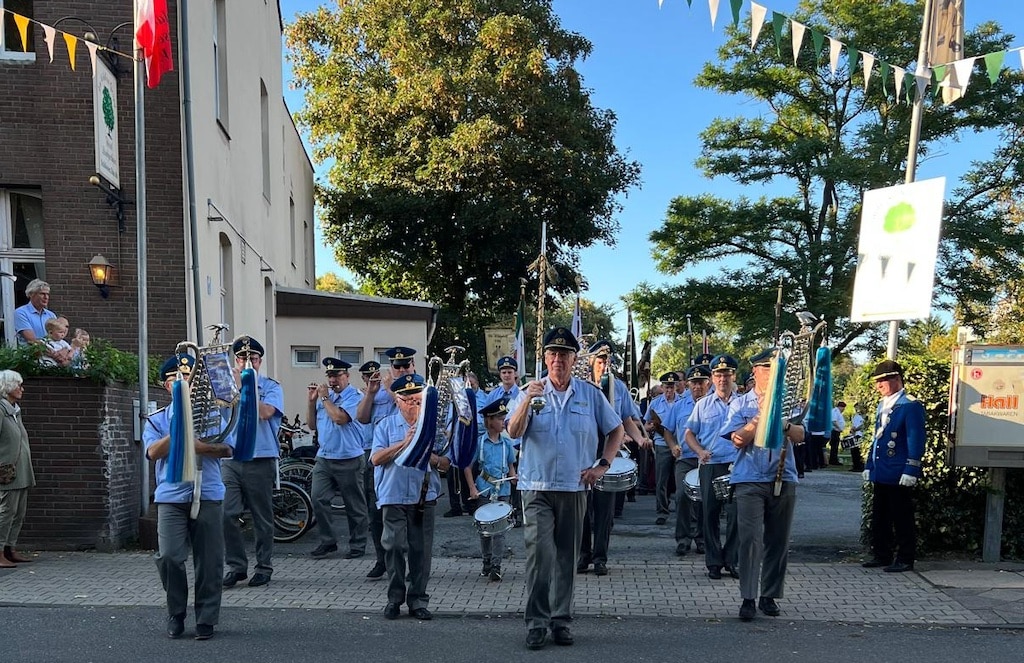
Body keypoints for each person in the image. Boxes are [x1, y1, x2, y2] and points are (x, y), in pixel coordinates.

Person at [506, 327, 624, 650]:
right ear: (544, 358)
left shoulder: (590, 394)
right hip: (536, 486)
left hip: (574, 487)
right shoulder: (529, 391)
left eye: (565, 354)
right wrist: (526, 400)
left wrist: (602, 466)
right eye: (553, 354)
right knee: (539, 555)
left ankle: (560, 620)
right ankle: (536, 622)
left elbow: (616, 432)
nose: (558, 360)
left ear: (574, 360)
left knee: (567, 558)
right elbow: (514, 433)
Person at [144, 354, 233, 640]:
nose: (183, 384)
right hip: (171, 495)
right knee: (169, 555)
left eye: (188, 379)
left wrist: (201, 447)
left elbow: (228, 449)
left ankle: (206, 617)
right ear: (167, 386)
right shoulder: (158, 419)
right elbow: (152, 453)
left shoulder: (213, 415)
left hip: (207, 492)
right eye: (176, 380)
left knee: (209, 560)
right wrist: (179, 430)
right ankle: (176, 612)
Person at [721, 348, 806, 621]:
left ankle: (769, 595)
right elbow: (736, 440)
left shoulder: (789, 402)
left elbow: (801, 435)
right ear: (756, 372)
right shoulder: (741, 404)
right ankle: (748, 597)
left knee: (778, 540)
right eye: (768, 368)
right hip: (748, 479)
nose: (773, 373)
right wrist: (759, 418)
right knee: (750, 540)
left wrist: (781, 423)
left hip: (782, 476)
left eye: (776, 368)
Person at [371, 373, 451, 620]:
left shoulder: (433, 429)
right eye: (408, 400)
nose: (414, 405)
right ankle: (395, 598)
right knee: (393, 546)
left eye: (418, 400)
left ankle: (417, 599)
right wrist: (403, 444)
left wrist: (429, 455)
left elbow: (447, 464)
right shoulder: (385, 425)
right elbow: (375, 459)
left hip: (422, 496)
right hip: (392, 495)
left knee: (421, 551)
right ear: (397, 401)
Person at [577, 339, 647, 576]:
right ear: (591, 361)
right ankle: (583, 555)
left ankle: (600, 557)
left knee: (604, 509)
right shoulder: (580, 385)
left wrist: (638, 439)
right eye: (599, 359)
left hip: (608, 450)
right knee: (583, 508)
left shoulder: (618, 387)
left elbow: (627, 419)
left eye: (607, 359)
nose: (603, 364)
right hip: (585, 451)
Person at [221, 336, 284, 589]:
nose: (248, 363)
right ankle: (236, 566)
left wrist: (245, 387)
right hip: (231, 458)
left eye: (253, 359)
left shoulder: (270, 386)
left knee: (262, 517)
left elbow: (266, 412)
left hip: (261, 457)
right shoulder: (226, 386)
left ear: (260, 361)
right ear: (235, 360)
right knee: (227, 514)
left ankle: (264, 566)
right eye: (243, 358)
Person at [862, 359, 925, 573]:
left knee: (902, 517)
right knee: (880, 516)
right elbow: (877, 438)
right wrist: (870, 464)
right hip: (883, 470)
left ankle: (906, 558)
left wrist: (911, 469)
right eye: (877, 382)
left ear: (897, 379)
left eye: (883, 381)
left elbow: (916, 439)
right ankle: (882, 554)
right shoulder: (883, 404)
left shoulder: (910, 404)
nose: (878, 386)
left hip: (899, 471)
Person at [307, 357, 370, 559]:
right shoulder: (325, 397)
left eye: (337, 376)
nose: (333, 380)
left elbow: (340, 419)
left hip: (349, 458)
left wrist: (324, 398)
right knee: (317, 499)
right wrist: (311, 402)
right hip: (325, 457)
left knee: (354, 505)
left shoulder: (355, 396)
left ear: (347, 376)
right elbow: (312, 425)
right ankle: (328, 541)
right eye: (330, 376)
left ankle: (358, 544)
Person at [684, 354, 739, 580]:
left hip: (737, 466)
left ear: (733, 376)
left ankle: (733, 559)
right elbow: (689, 434)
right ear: (712, 379)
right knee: (710, 514)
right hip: (711, 464)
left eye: (726, 374)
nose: (722, 379)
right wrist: (699, 451)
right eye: (718, 375)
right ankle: (714, 562)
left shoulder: (744, 402)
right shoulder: (702, 404)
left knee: (737, 514)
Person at [465, 398, 517, 581]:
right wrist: (472, 487)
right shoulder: (480, 443)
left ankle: (496, 565)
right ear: (490, 421)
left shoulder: (507, 444)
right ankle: (486, 562)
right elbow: (467, 467)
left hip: (502, 490)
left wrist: (513, 477)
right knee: (485, 530)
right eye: (500, 419)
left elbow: (511, 465)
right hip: (485, 490)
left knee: (500, 531)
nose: (504, 422)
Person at [662, 364, 711, 556]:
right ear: (687, 384)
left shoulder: (714, 404)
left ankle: (701, 538)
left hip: (707, 459)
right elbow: (667, 430)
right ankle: (682, 538)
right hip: (685, 458)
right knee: (683, 496)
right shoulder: (679, 406)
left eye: (700, 383)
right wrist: (673, 445)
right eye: (693, 383)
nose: (697, 387)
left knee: (704, 499)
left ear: (708, 383)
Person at [355, 360, 389, 579]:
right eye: (367, 377)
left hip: (393, 451)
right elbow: (363, 418)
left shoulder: (392, 391)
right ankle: (381, 559)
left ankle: (401, 559)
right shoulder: (364, 395)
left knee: (396, 511)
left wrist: (389, 387)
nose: (371, 379)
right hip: (371, 454)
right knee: (374, 512)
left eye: (374, 375)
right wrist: (370, 392)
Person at [0, 370, 35, 568]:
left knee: (18, 512)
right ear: (7, 387)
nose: (21, 388)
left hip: (20, 470)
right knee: (6, 511)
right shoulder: (1, 410)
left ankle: (10, 548)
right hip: (6, 471)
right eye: (17, 385)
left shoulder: (14, 410)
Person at [644, 371, 679, 525]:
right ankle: (662, 511)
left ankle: (682, 510)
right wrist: (652, 427)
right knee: (661, 480)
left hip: (679, 444)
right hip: (661, 444)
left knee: (680, 480)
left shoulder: (683, 401)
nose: (669, 390)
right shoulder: (656, 403)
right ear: (662, 387)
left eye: (672, 387)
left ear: (676, 387)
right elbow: (645, 425)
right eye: (666, 387)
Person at [13, 279, 56, 347]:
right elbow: (32, 341)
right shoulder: (21, 313)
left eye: (47, 294)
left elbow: (58, 338)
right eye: (42, 294)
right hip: (31, 355)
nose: (46, 297)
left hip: (52, 354)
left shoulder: (51, 315)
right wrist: (53, 353)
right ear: (31, 294)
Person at [849, 404, 866, 472]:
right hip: (855, 435)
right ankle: (855, 466)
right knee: (853, 451)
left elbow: (863, 425)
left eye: (857, 408)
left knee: (858, 451)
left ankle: (859, 467)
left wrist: (856, 429)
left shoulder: (863, 416)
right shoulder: (855, 416)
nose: (856, 409)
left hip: (860, 435)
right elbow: (853, 425)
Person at [829, 400, 847, 466]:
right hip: (835, 431)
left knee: (835, 446)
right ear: (841, 407)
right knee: (834, 446)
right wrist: (839, 428)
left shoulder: (838, 412)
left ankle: (834, 459)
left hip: (837, 431)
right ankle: (833, 460)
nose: (844, 410)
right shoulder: (835, 411)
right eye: (843, 408)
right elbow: (834, 421)